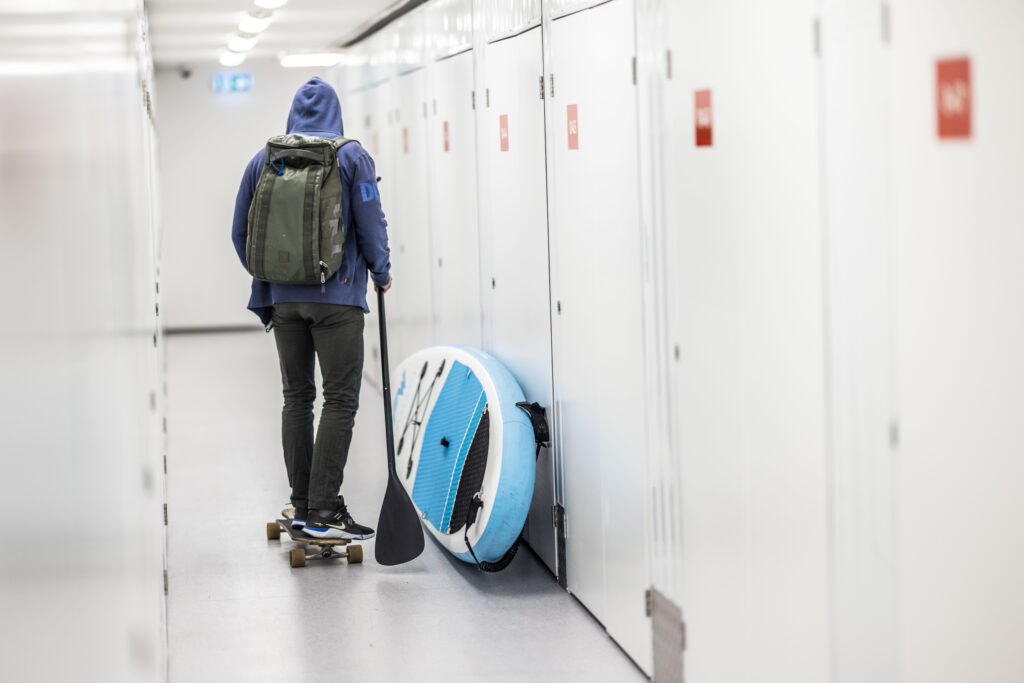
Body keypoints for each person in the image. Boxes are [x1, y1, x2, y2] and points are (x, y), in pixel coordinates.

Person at [231, 76, 391, 540]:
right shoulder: (352, 156)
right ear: (336, 113)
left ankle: (301, 506)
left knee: (296, 398)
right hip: (338, 298)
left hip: (283, 301)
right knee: (340, 399)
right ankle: (324, 511)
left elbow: (240, 233)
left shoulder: (263, 160)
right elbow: (370, 223)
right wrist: (380, 272)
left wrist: (273, 279)